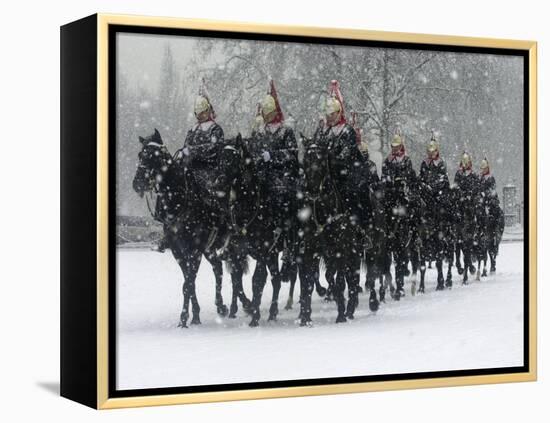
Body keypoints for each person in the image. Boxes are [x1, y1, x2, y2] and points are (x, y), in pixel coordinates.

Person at [249, 79, 299, 270]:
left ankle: (286, 239)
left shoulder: (286, 131)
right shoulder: (260, 131)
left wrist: (274, 157)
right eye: (265, 113)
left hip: (282, 176)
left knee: (283, 199)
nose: (267, 116)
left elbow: (292, 153)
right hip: (262, 176)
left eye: (269, 113)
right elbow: (253, 150)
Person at [381, 132, 417, 300]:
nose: (395, 150)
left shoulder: (407, 161)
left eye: (397, 147)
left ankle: (414, 235)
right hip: (390, 198)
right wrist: (390, 183)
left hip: (402, 197)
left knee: (413, 211)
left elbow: (411, 179)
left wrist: (404, 184)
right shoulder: (387, 161)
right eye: (393, 147)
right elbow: (384, 178)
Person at [418, 133, 451, 289]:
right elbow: (421, 178)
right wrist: (423, 186)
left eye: (433, 151)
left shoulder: (441, 164)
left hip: (438, 199)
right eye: (429, 151)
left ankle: (446, 236)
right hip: (426, 198)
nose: (431, 154)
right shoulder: (424, 164)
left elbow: (444, 180)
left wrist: (436, 189)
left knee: (445, 213)